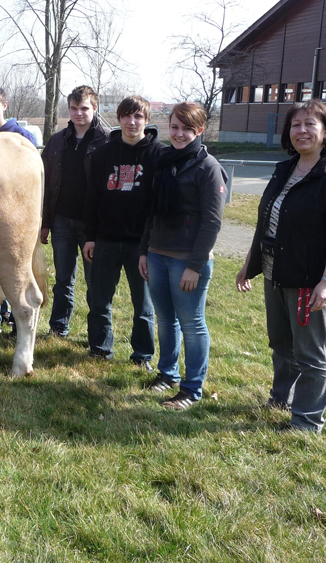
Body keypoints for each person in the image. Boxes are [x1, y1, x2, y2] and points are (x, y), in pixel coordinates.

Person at [236, 99, 326, 433]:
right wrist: (249, 264)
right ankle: (280, 398)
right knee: (281, 343)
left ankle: (306, 422)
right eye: (295, 125)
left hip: (311, 278)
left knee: (309, 351)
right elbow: (266, 222)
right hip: (277, 271)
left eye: (309, 124)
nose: (301, 131)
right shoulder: (284, 168)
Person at [138, 101, 227, 411]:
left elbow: (212, 222)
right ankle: (167, 374)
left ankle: (191, 389)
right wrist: (145, 251)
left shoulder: (208, 167)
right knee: (165, 320)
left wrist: (195, 266)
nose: (178, 134)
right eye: (174, 127)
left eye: (186, 129)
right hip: (157, 254)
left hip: (187, 260)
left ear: (199, 130)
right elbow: (151, 210)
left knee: (192, 324)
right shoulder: (163, 160)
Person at [83, 96, 161, 369]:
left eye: (138, 116)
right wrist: (90, 236)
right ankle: (100, 348)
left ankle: (142, 356)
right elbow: (91, 198)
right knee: (99, 300)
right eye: (127, 116)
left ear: (147, 120)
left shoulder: (158, 155)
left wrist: (150, 245)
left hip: (141, 246)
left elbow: (158, 204)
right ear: (118, 119)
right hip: (105, 240)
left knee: (144, 306)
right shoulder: (102, 154)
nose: (132, 122)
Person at [40, 85, 108, 338]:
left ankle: (97, 336)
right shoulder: (58, 141)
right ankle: (58, 327)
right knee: (63, 280)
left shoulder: (107, 140)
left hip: (93, 226)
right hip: (61, 221)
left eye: (84, 108)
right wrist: (45, 222)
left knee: (95, 283)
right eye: (74, 108)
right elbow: (46, 184)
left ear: (95, 108)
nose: (79, 113)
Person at [0, 85, 36, 334]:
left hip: (15, 211)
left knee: (16, 267)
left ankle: (18, 321)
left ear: (4, 106)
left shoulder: (21, 136)